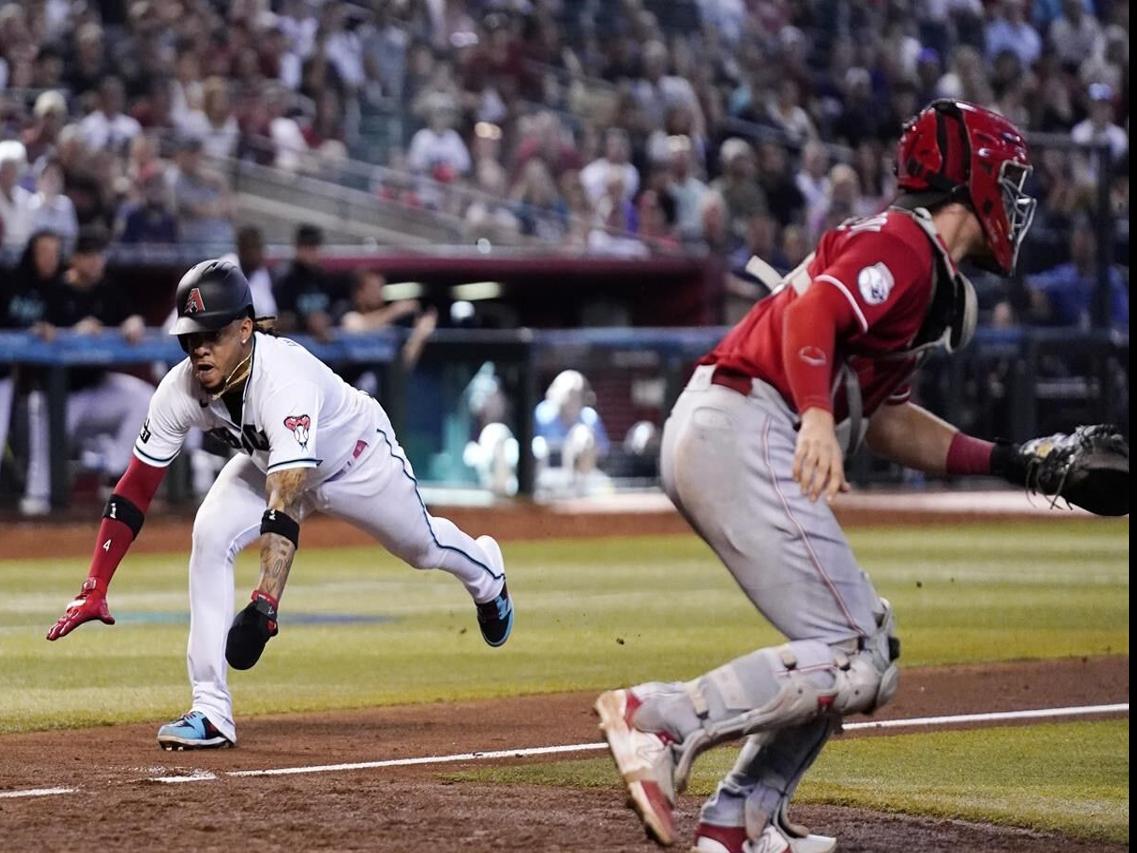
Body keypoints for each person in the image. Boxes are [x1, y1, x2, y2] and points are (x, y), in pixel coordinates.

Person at [592, 101, 1065, 852]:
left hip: (733, 420)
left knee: (860, 640)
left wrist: (1015, 462)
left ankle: (741, 818)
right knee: (855, 652)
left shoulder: (919, 266)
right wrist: (815, 415)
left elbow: (889, 422)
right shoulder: (905, 244)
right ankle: (661, 714)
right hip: (749, 421)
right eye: (1002, 179)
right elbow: (814, 312)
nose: (1012, 200)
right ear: (966, 175)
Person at [45, 259, 514, 751]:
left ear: (245, 329)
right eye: (190, 337)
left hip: (355, 461)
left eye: (213, 334)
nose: (200, 348)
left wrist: (265, 604)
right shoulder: (181, 389)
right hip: (271, 462)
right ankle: (210, 710)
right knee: (210, 533)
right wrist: (95, 583)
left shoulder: (284, 382)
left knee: (421, 548)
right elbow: (134, 489)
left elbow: (285, 502)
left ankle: (487, 574)